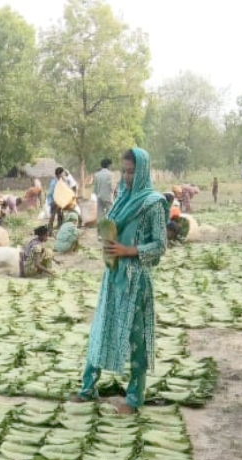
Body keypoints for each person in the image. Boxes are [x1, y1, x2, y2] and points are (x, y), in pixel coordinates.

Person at [72, 147, 167, 416]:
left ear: (143, 171)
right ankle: (88, 387)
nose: (126, 177)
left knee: (135, 337)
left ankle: (134, 398)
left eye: (131, 172)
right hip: (113, 277)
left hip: (135, 280)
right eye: (124, 171)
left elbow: (160, 245)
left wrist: (128, 251)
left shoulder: (153, 203)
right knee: (101, 328)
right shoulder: (122, 198)